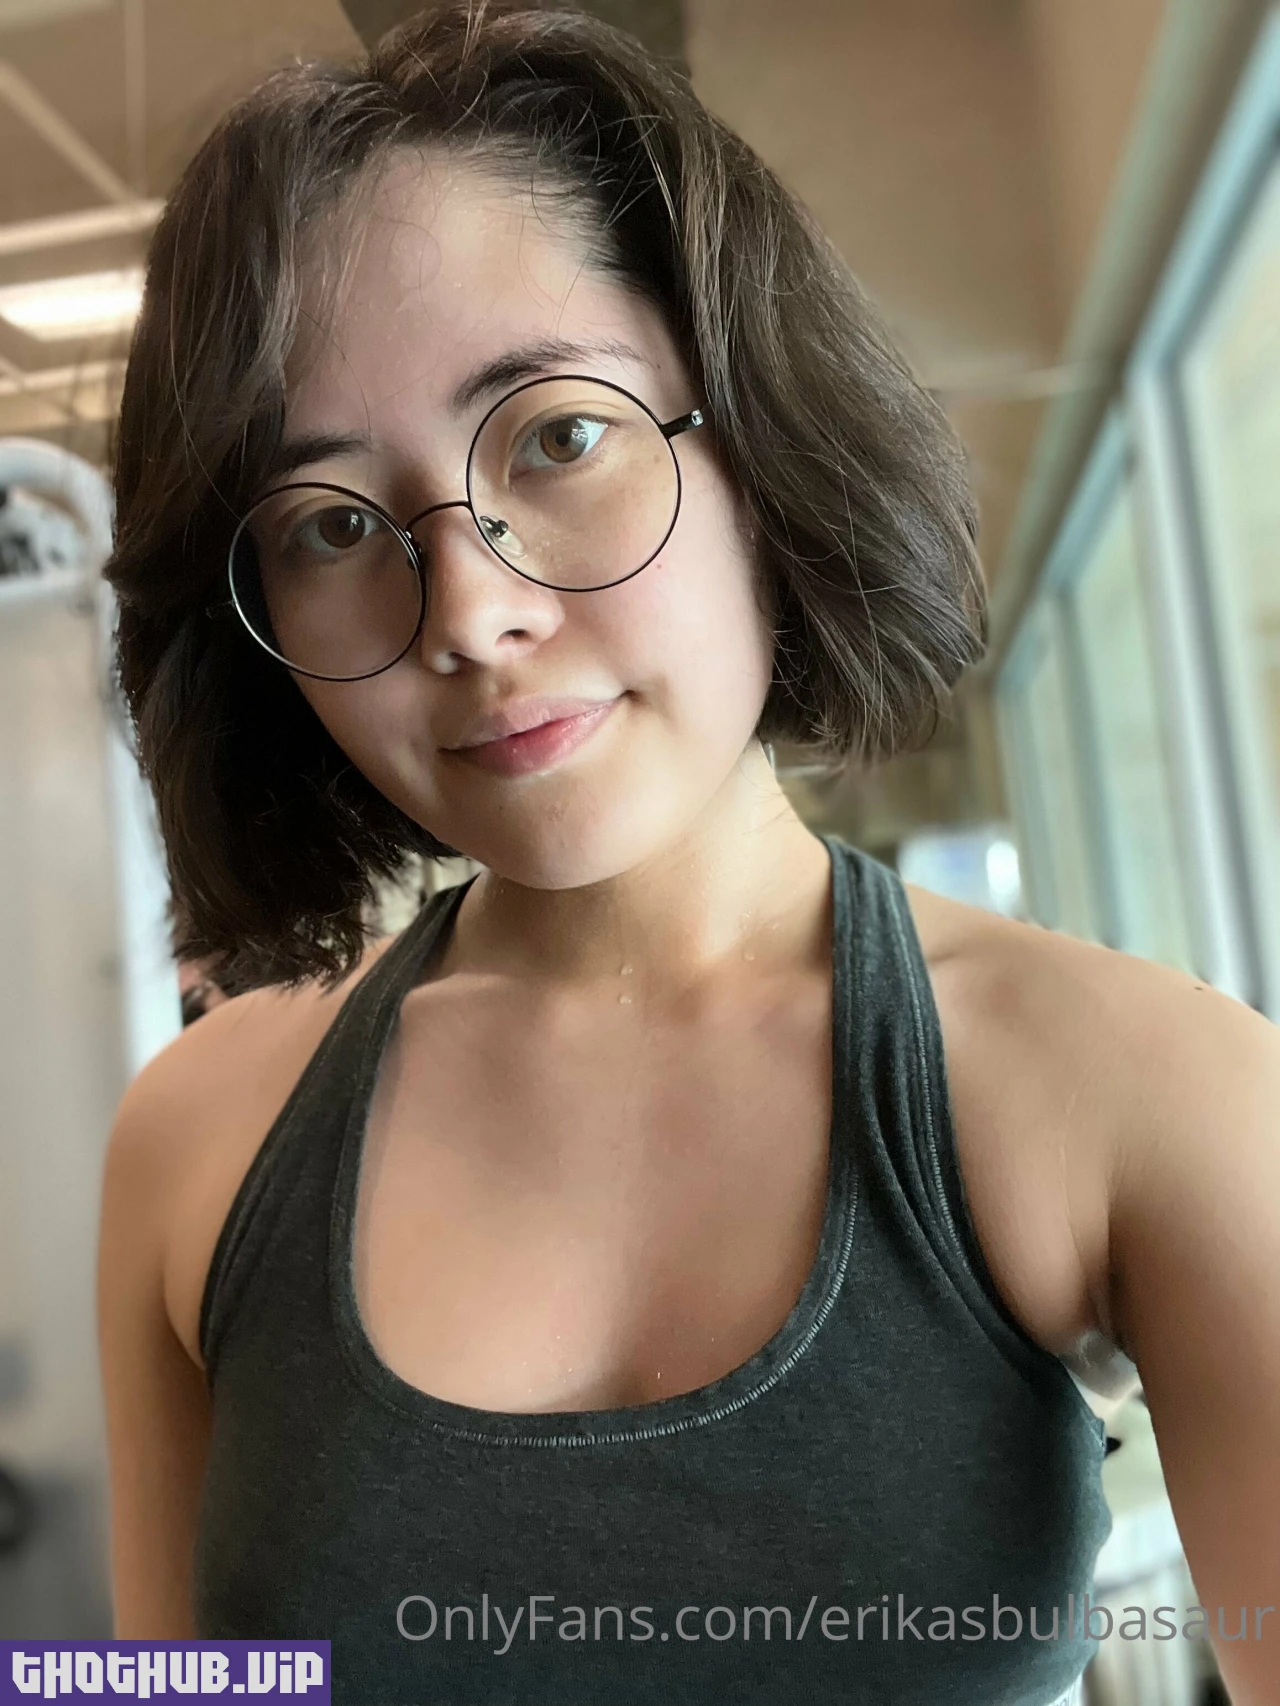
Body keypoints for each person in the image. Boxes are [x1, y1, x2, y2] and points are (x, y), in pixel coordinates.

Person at [96, 4, 1280, 1703]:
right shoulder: (197, 1140)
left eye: (558, 436)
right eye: (335, 525)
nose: (471, 612)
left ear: (752, 439)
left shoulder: (1141, 1088)